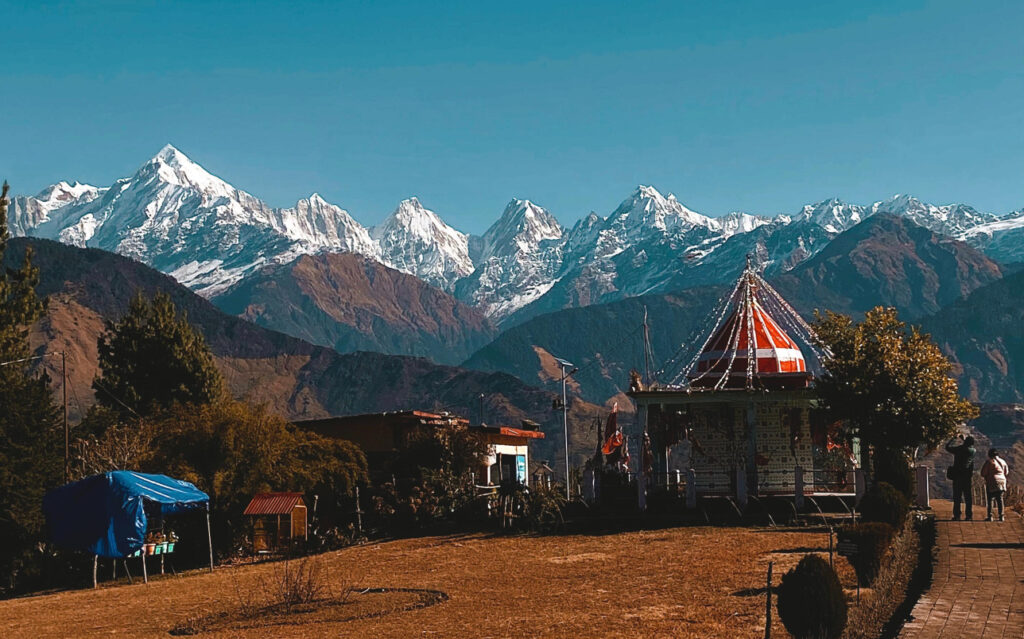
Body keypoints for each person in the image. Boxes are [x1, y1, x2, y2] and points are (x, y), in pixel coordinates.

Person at [945, 435, 976, 521]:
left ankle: (957, 515)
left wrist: (953, 438)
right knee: (968, 497)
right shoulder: (973, 451)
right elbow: (969, 446)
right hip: (967, 477)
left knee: (957, 497)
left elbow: (947, 447)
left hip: (957, 476)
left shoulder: (959, 449)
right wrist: (964, 440)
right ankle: (968, 515)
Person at [980, 448, 1009, 521]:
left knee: (990, 499)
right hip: (1002, 481)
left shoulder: (989, 462)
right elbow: (1006, 472)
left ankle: (990, 516)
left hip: (992, 482)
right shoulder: (1003, 461)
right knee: (1000, 499)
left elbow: (983, 473)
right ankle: (1001, 516)